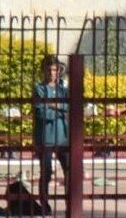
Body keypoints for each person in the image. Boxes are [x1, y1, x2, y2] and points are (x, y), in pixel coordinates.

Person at [31, 56, 69, 211]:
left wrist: (53, 105)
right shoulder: (38, 89)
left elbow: (70, 108)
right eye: (49, 70)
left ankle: (69, 203)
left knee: (69, 170)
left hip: (63, 137)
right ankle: (44, 203)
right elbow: (41, 112)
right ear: (43, 71)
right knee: (46, 172)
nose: (52, 73)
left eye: (55, 69)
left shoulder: (63, 90)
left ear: (59, 71)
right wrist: (61, 109)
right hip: (45, 137)